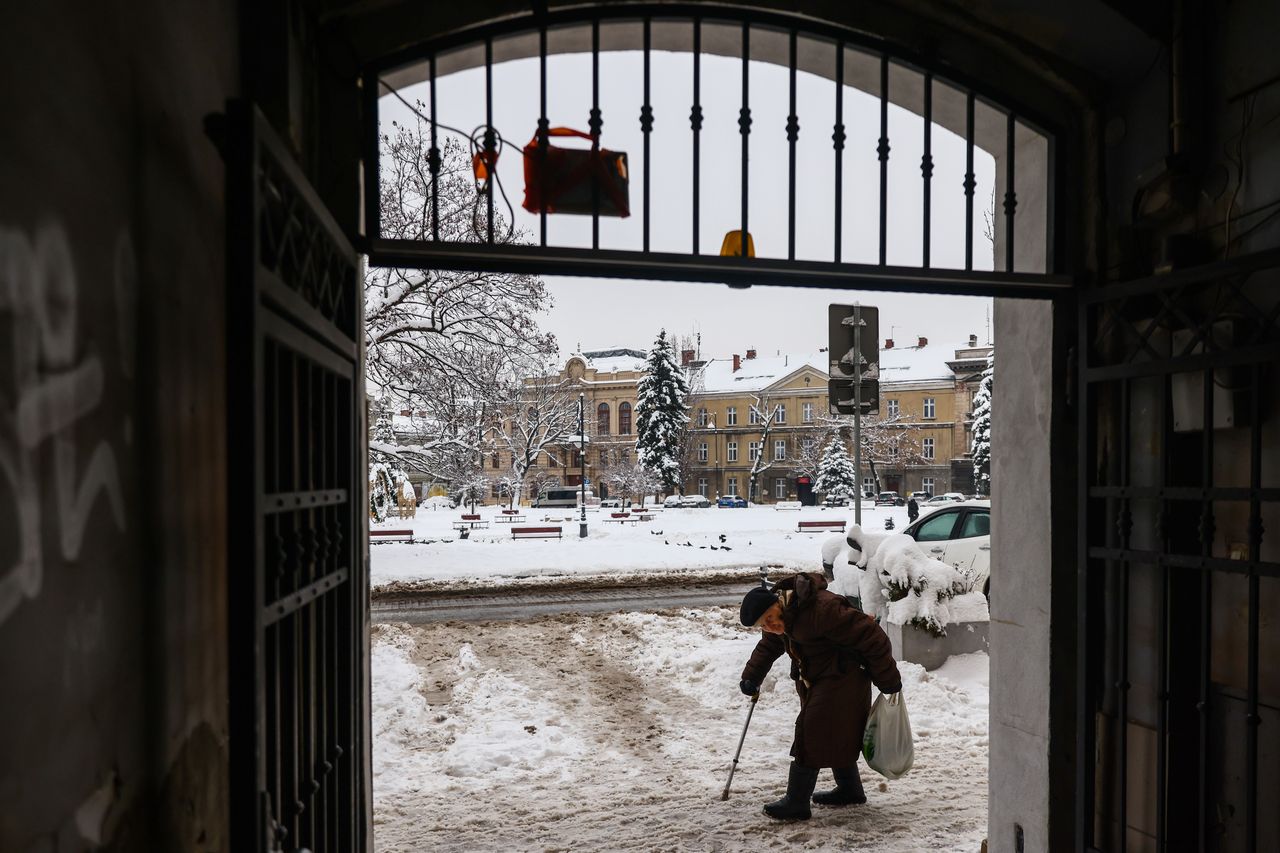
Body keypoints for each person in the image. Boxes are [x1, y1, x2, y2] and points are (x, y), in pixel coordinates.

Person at [738, 573, 902, 821]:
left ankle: (797, 802)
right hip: (818, 679)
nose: (770, 626)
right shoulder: (782, 618)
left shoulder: (821, 609)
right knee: (836, 732)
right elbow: (769, 645)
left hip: (844, 677)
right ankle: (850, 790)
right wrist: (752, 676)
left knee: (811, 731)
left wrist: (888, 680)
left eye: (770, 618)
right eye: (763, 625)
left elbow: (872, 635)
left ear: (778, 601)